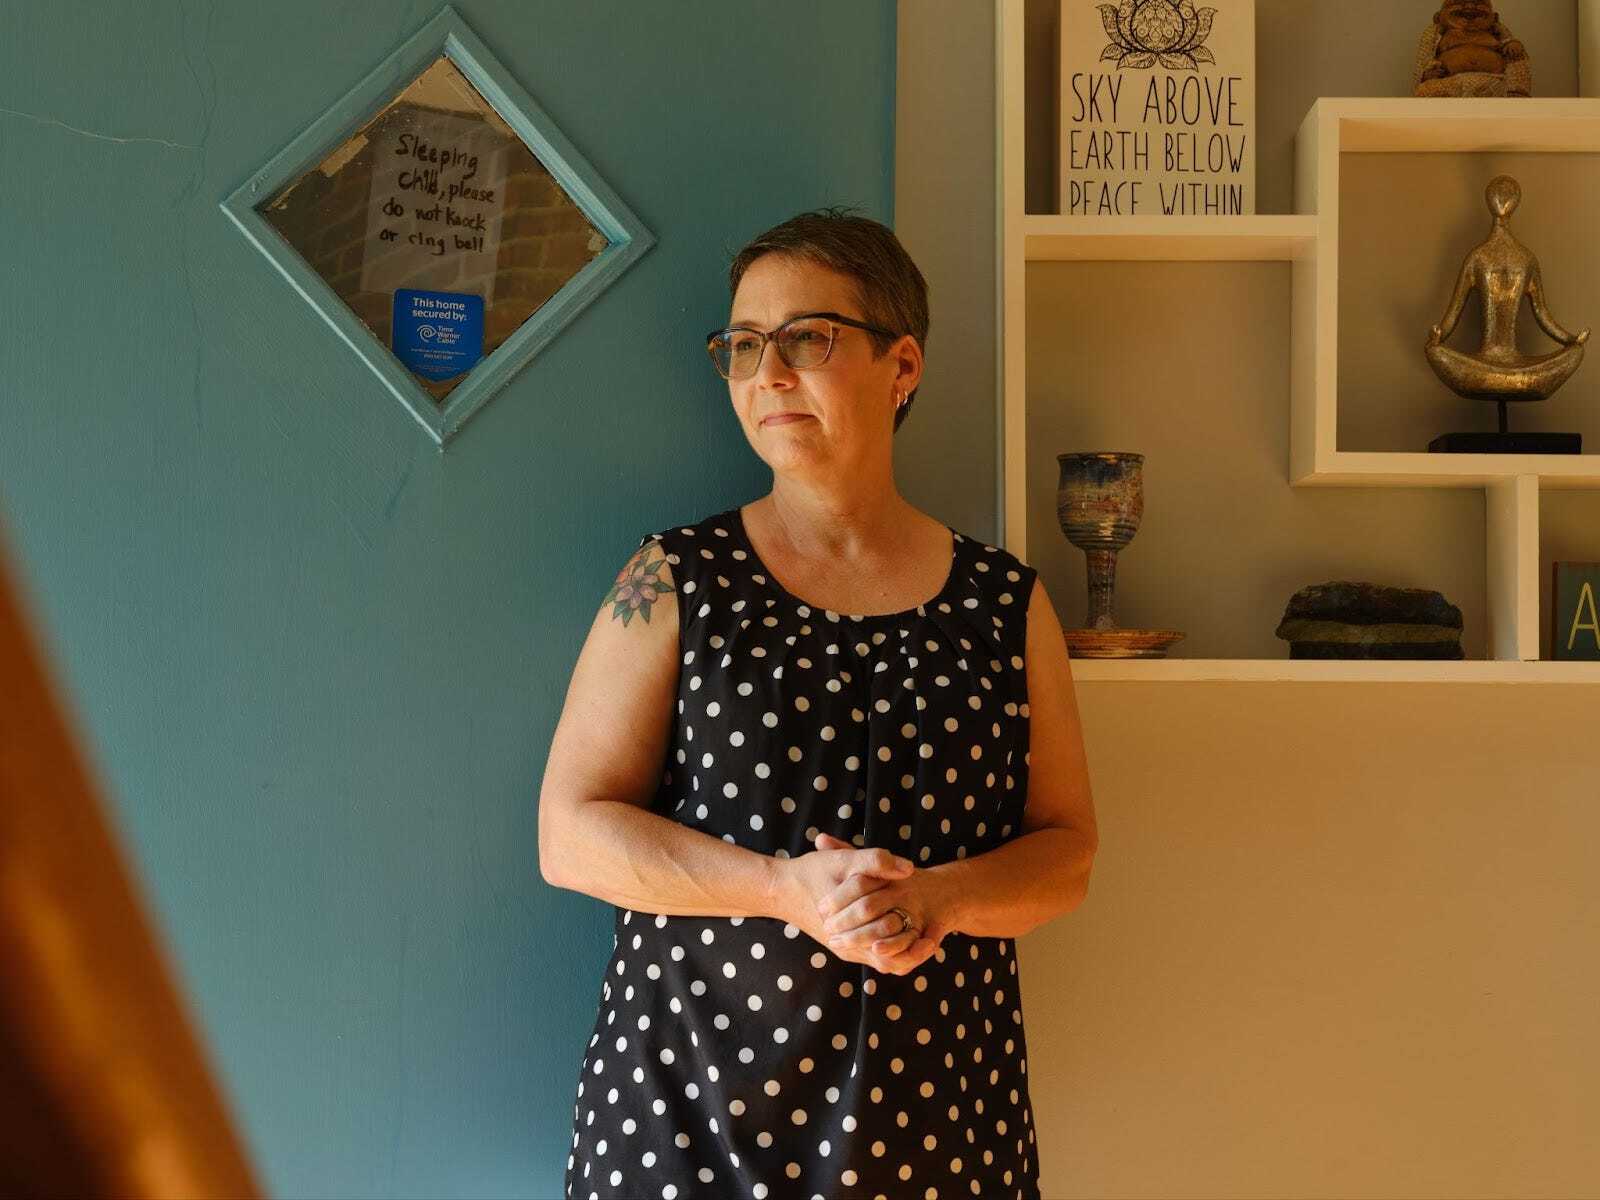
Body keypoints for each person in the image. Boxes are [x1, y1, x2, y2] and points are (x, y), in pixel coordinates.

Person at [539, 206, 1097, 1200]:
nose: (767, 375)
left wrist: (942, 897)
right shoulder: (673, 580)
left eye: (807, 339)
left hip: (932, 1119)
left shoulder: (1004, 604)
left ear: (902, 366)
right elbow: (569, 838)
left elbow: (1066, 853)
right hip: (685, 1120)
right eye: (743, 346)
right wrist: (785, 888)